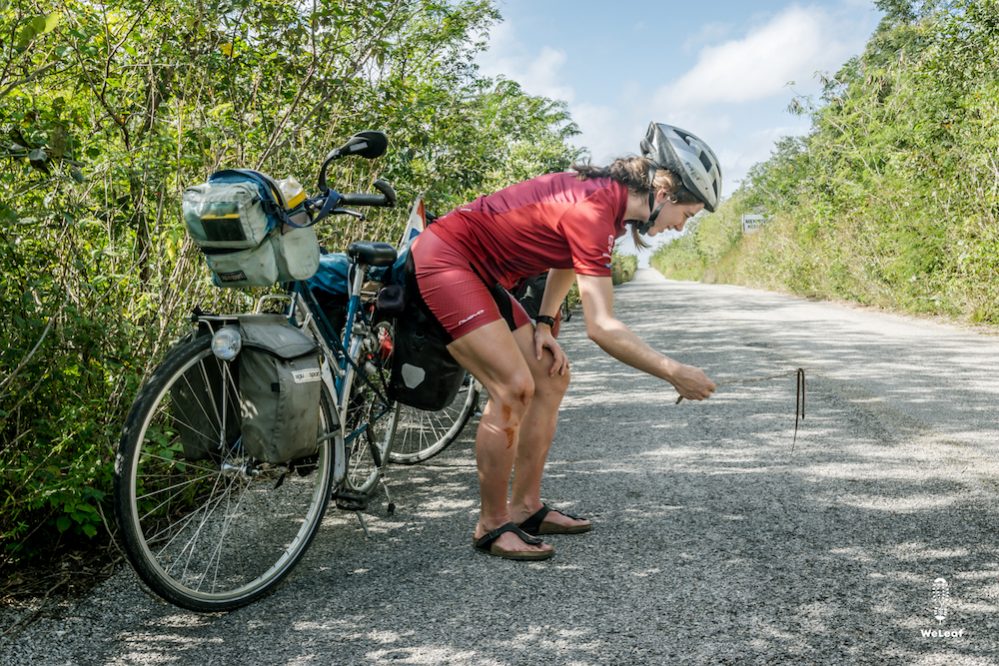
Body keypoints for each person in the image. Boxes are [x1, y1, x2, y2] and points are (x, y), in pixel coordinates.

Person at [409, 122, 722, 560]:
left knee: (550, 378)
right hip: (448, 257)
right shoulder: (595, 208)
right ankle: (492, 524)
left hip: (485, 274)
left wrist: (544, 320)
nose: (680, 227)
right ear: (666, 191)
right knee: (513, 387)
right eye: (687, 215)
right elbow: (602, 327)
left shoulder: (610, 203)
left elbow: (566, 259)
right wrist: (673, 372)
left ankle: (526, 507)